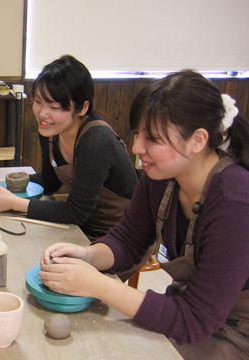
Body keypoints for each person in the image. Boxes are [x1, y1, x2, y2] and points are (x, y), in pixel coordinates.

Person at [39, 70, 249, 359]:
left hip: (235, 331)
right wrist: (87, 256)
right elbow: (128, 240)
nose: (137, 148)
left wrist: (98, 285)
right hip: (190, 310)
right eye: (138, 133)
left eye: (152, 139)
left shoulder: (235, 201)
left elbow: (196, 321)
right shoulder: (161, 176)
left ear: (198, 140)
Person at [0, 55, 138, 239]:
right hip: (83, 228)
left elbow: (75, 213)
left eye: (54, 107)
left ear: (83, 108)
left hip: (121, 238)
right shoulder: (51, 131)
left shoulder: (97, 140)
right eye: (38, 101)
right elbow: (49, 181)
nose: (42, 114)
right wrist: (1, 183)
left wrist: (13, 203)